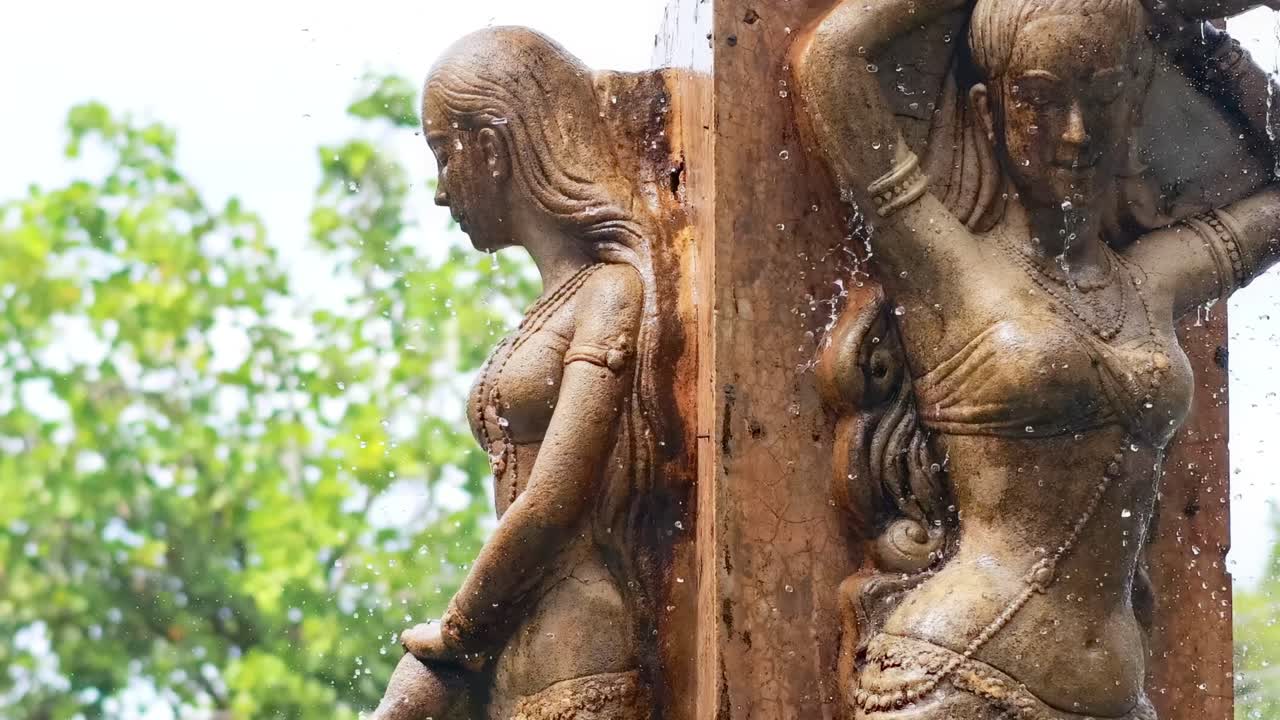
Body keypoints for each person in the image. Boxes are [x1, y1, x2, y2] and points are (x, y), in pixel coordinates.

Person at [795, 0, 1280, 717]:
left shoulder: (1151, 280)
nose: (1076, 133)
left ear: (1136, 98)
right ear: (990, 110)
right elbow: (831, 63)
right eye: (1041, 100)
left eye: (1104, 94)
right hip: (959, 673)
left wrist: (1196, 28)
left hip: (1117, 693)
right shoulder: (950, 269)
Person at [372, 26, 663, 720]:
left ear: (495, 150)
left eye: (445, 156)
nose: (442, 192)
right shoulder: (549, 308)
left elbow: (552, 501)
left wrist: (458, 632)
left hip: (576, 633)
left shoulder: (611, 292)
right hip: (515, 635)